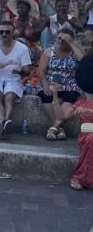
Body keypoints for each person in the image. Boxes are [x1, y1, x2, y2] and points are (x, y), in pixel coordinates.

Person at [0, 19, 33, 138]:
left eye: (7, 32)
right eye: (1, 32)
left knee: (9, 96)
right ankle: (4, 122)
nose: (4, 34)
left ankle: (2, 123)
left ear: (13, 33)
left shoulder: (22, 48)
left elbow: (27, 71)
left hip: (13, 78)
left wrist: (20, 71)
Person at [37, 27, 83, 140]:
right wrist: (45, 84)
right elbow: (41, 71)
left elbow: (83, 60)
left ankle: (54, 128)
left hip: (70, 84)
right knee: (45, 95)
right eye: (59, 38)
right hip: (51, 83)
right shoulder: (48, 52)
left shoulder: (75, 52)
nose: (60, 42)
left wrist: (72, 43)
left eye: (64, 40)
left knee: (71, 95)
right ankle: (59, 128)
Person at [70, 55, 93, 191]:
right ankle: (80, 177)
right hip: (88, 134)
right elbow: (61, 116)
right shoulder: (81, 102)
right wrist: (55, 96)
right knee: (91, 139)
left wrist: (89, 112)